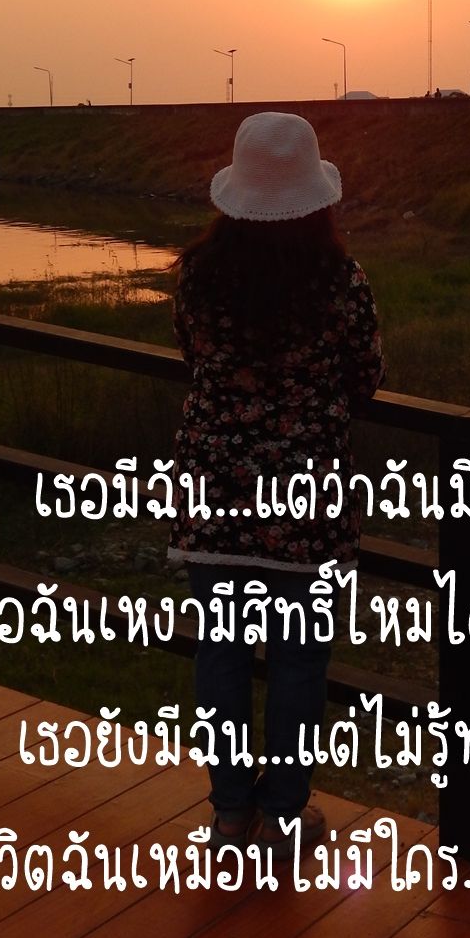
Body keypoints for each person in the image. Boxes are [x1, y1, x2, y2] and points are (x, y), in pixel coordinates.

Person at [168, 112, 386, 859]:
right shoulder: (341, 282)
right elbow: (366, 377)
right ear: (313, 199)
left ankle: (230, 815)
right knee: (298, 661)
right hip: (307, 502)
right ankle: (284, 819)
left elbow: (191, 354)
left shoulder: (199, 277)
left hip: (213, 492)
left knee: (221, 655)